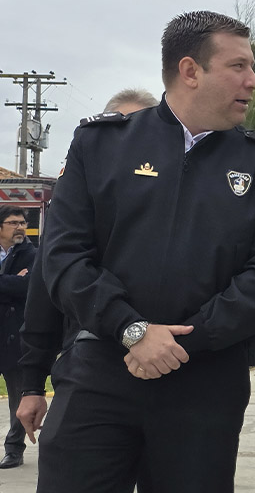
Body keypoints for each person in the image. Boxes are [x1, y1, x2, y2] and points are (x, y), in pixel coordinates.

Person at [36, 10, 255, 492]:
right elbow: (63, 258)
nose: (254, 81)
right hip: (100, 376)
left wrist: (177, 345)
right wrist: (131, 329)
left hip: (204, 388)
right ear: (190, 70)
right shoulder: (101, 145)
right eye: (238, 66)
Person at [16, 90, 159, 448]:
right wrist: (32, 384)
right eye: (122, 126)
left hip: (169, 366)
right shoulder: (79, 199)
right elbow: (44, 289)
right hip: (89, 362)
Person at [0, 205, 36, 469]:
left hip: (15, 335)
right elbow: (16, 285)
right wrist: (11, 281)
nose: (20, 227)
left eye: (22, 223)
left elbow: (29, 287)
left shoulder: (32, 254)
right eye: (13, 223)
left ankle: (14, 449)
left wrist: (15, 283)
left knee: (18, 395)